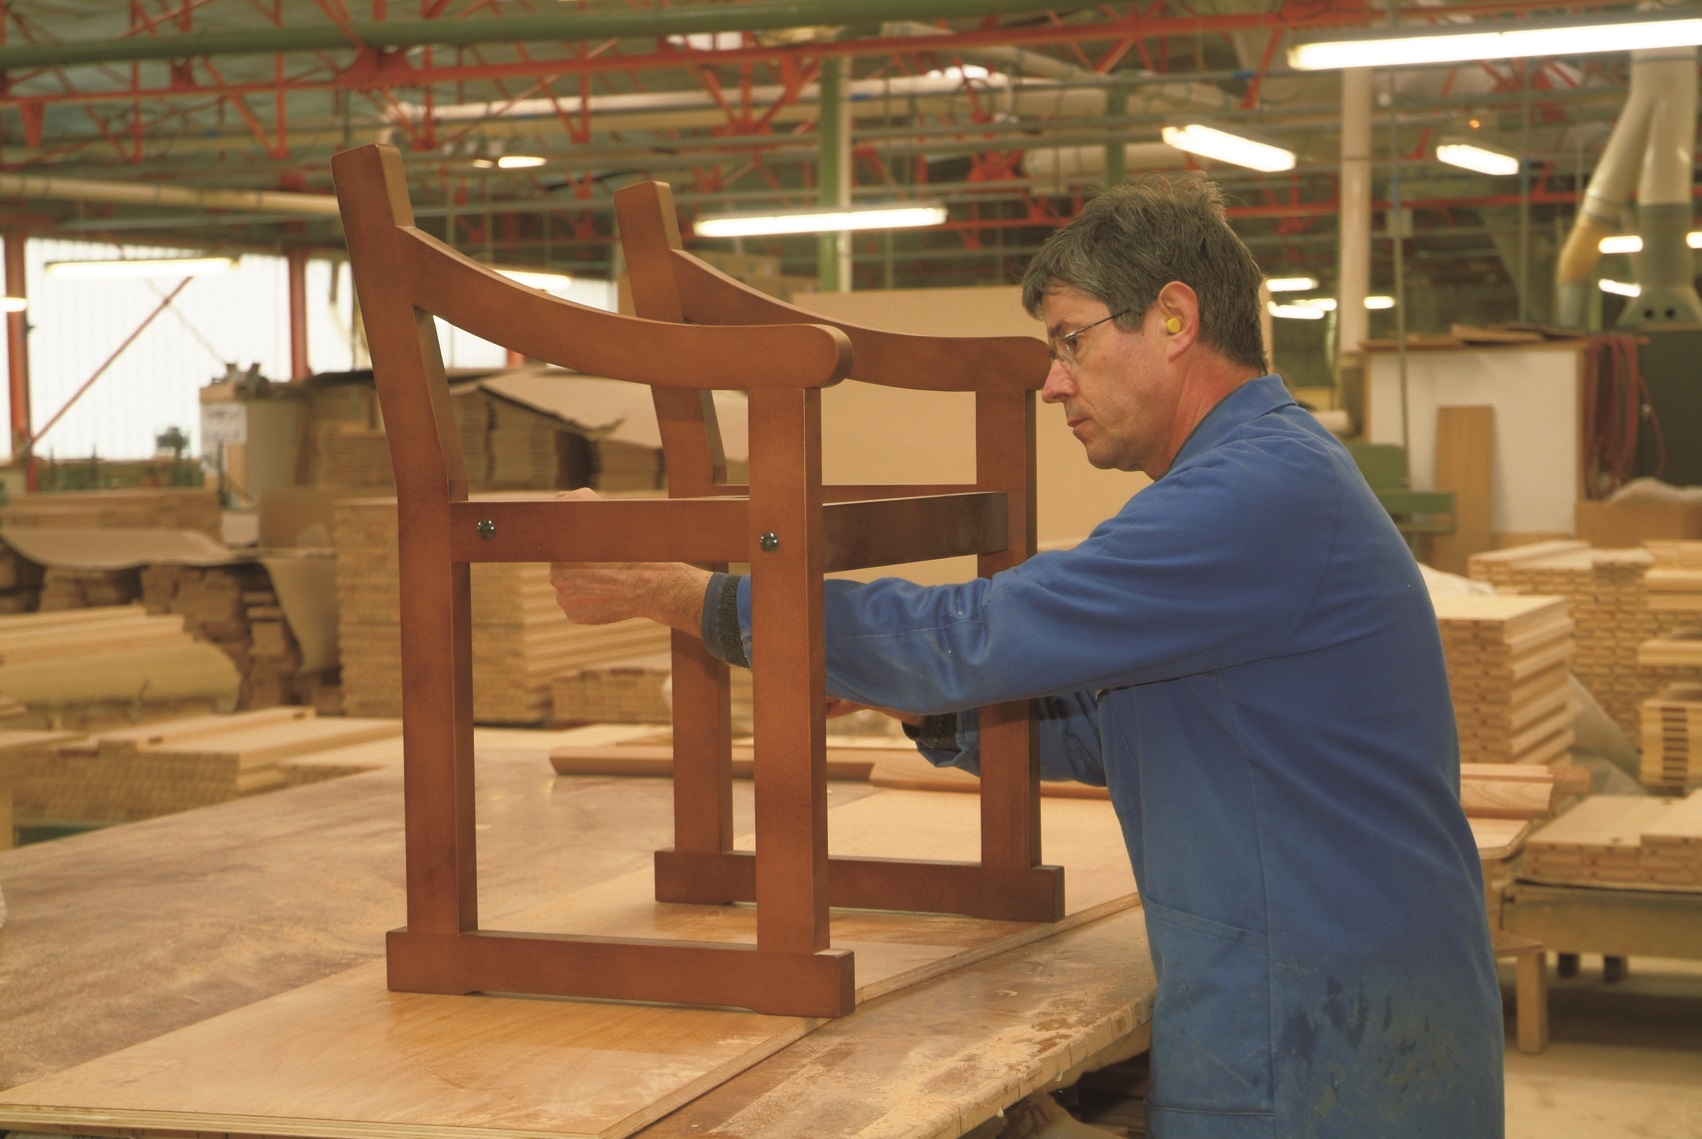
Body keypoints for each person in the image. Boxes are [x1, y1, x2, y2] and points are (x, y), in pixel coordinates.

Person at [550, 173, 1505, 1138]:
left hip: (1321, 1037)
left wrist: (686, 596)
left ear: (1175, 318)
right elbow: (1115, 729)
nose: (1052, 382)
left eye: (1070, 340)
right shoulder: (1266, 474)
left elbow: (972, 634)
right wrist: (911, 700)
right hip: (1340, 1003)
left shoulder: (1254, 494)